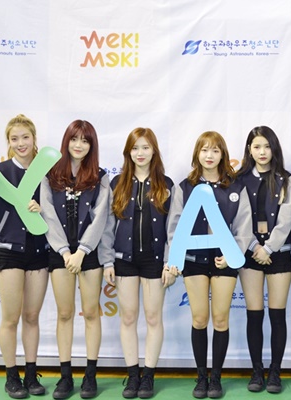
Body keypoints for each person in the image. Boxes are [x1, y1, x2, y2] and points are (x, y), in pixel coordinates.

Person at [166, 131, 253, 399]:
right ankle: (201, 376)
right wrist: (174, 259)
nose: (209, 155)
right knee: (200, 318)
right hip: (194, 261)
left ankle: (216, 377)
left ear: (223, 155)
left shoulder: (236, 187)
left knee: (221, 319)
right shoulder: (185, 187)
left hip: (224, 261)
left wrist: (232, 254)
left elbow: (244, 227)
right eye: (204, 150)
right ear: (197, 154)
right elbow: (174, 226)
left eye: (215, 150)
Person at [0, 114, 49, 399]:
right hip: (9, 252)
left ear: (34, 138)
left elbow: (56, 212)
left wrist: (42, 209)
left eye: (25, 137)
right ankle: (11, 376)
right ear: (8, 142)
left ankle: (31, 374)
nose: (20, 143)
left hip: (39, 251)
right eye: (14, 139)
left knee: (32, 316)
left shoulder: (46, 171)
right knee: (10, 318)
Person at [100, 128, 178, 399]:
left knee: (154, 317)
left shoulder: (167, 184)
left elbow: (173, 227)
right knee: (129, 317)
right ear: (128, 152)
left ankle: (149, 376)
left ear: (154, 150)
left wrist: (170, 262)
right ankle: (133, 376)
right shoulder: (116, 183)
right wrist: (107, 260)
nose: (140, 153)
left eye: (145, 147)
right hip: (124, 260)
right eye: (135, 148)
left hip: (154, 261)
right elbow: (107, 226)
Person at [40, 120, 110, 399]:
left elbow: (101, 217)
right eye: (74, 139)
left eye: (85, 140)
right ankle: (65, 376)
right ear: (66, 141)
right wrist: (65, 252)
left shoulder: (100, 177)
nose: (79, 145)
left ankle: (90, 376)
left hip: (89, 254)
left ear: (92, 145)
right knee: (65, 313)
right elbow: (47, 214)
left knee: (91, 312)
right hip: (60, 254)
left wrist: (82, 251)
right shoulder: (50, 175)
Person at [237, 126, 291, 394]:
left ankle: (275, 371)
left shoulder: (287, 180)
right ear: (249, 149)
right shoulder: (238, 180)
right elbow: (237, 219)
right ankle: (256, 370)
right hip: (249, 254)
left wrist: (269, 248)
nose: (262, 152)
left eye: (267, 146)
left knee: (277, 315)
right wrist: (253, 246)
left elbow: (287, 220)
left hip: (279, 254)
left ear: (274, 149)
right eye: (257, 146)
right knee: (254, 314)